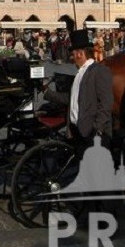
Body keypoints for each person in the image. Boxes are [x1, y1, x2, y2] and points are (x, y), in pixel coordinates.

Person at [46, 29, 113, 157]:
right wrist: (47, 93)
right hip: (79, 132)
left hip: (92, 135)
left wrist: (96, 129)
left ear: (80, 54)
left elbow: (106, 103)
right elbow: (71, 99)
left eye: (73, 54)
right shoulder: (79, 73)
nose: (72, 58)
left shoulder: (99, 71)